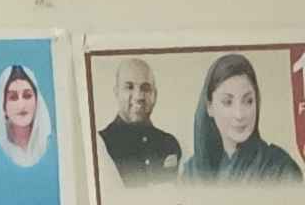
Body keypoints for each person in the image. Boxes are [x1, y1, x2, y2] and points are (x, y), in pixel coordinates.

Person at [182, 52, 302, 184]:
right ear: (209, 107)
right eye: (228, 102)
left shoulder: (281, 168)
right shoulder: (191, 172)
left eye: (248, 101)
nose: (239, 115)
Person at [99, 56, 182, 180]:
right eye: (129, 87)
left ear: (155, 95)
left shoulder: (170, 144)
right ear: (117, 92)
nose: (138, 96)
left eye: (146, 88)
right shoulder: (101, 145)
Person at [0, 65, 52, 166]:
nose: (21, 105)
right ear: (3, 106)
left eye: (27, 96)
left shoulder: (46, 141)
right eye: (13, 97)